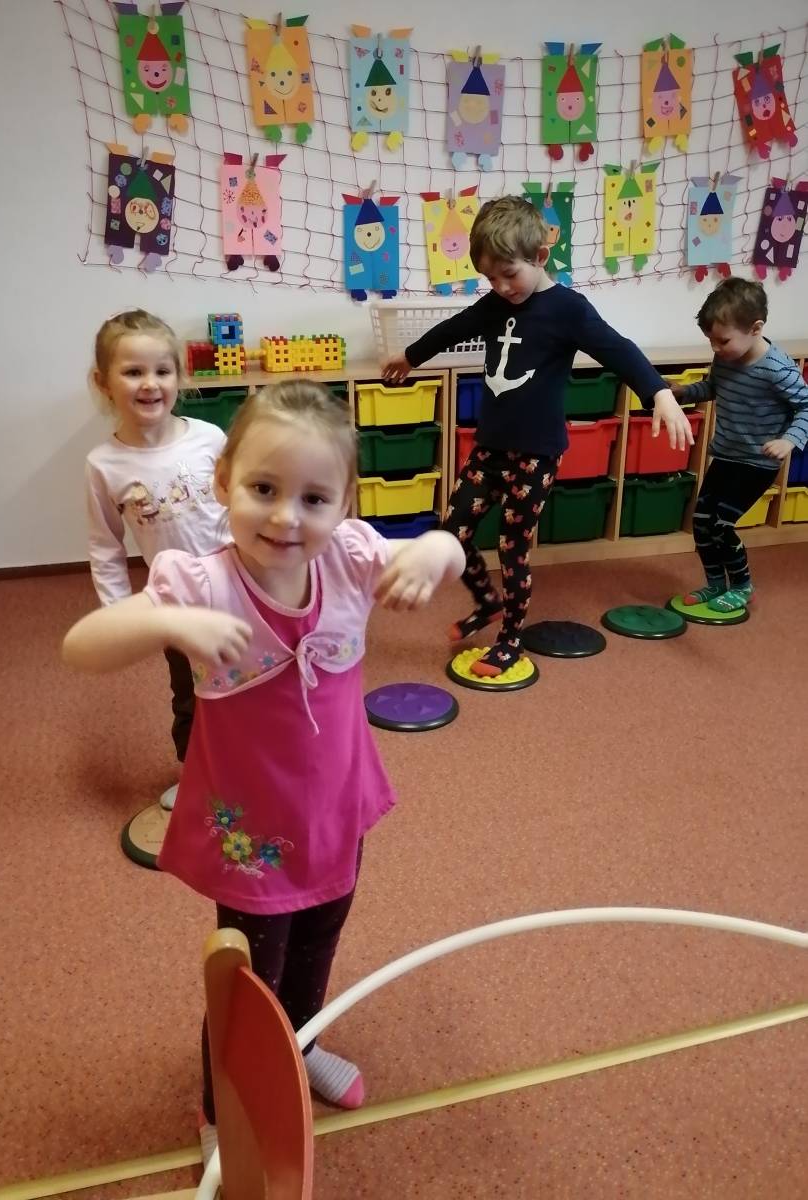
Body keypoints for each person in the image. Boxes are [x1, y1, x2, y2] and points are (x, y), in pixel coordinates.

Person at [64, 379, 464, 1162]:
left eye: (314, 498)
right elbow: (80, 646)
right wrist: (171, 620)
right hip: (253, 832)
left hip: (336, 810)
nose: (286, 517)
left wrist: (435, 550)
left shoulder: (350, 559)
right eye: (264, 489)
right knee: (247, 979)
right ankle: (225, 1100)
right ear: (224, 484)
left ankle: (302, 1045)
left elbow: (445, 548)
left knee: (318, 944)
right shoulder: (200, 582)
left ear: (345, 504)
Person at [382, 195, 693, 678]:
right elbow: (453, 328)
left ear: (540, 256)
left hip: (536, 454)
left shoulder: (568, 309)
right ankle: (487, 603)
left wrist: (659, 393)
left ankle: (510, 640)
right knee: (451, 535)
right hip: (490, 447)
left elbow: (618, 349)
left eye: (509, 274)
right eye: (490, 279)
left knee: (513, 548)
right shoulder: (494, 305)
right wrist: (410, 356)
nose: (501, 287)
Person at [86, 310, 227, 811]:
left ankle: (256, 764)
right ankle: (197, 775)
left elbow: (244, 506)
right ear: (103, 383)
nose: (150, 383)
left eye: (162, 371)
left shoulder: (209, 439)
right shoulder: (104, 464)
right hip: (175, 604)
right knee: (191, 695)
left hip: (237, 589)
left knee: (251, 684)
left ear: (179, 376)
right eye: (133, 372)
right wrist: (118, 613)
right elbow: (104, 545)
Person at [670, 276, 808, 612]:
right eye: (711, 341)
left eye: (723, 340)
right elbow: (712, 388)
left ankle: (743, 587)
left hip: (757, 463)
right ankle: (716, 584)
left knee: (721, 524)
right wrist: (684, 392)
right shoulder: (725, 358)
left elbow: (806, 406)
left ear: (756, 328)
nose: (716, 349)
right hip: (726, 455)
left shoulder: (777, 369)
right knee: (701, 521)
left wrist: (789, 440)